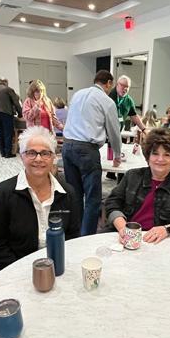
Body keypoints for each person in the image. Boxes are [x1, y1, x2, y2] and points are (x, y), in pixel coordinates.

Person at [0, 126, 81, 274]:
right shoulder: (4, 193)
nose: (38, 159)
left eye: (45, 153)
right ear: (21, 156)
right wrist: (22, 271)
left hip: (57, 265)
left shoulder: (67, 193)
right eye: (31, 153)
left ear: (53, 158)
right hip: (14, 269)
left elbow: (73, 236)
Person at [105, 128, 170, 242]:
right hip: (127, 239)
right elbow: (112, 203)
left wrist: (167, 230)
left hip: (164, 242)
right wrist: (123, 228)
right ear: (148, 156)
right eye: (155, 154)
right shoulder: (132, 176)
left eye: (167, 155)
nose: (160, 159)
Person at [61, 70, 122, 236]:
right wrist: (117, 155)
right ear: (108, 83)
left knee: (75, 195)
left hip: (67, 147)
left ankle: (75, 233)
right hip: (87, 150)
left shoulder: (77, 94)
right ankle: (86, 237)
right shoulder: (107, 101)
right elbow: (114, 132)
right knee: (92, 199)